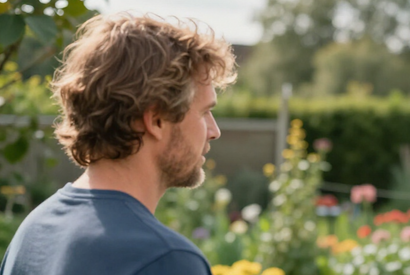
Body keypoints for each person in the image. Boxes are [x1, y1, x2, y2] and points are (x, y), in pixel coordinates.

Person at [1, 12, 236, 275]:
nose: (214, 131)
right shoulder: (165, 260)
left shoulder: (33, 233)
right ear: (156, 120)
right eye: (205, 112)